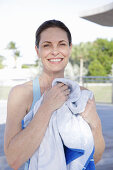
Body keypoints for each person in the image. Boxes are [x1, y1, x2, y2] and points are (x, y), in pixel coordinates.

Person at [4, 19, 105, 170]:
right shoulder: (21, 94)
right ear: (37, 50)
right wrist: (46, 107)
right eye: (47, 45)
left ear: (69, 49)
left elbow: (94, 158)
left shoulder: (83, 95)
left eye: (62, 44)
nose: (55, 51)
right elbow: (14, 160)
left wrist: (95, 123)